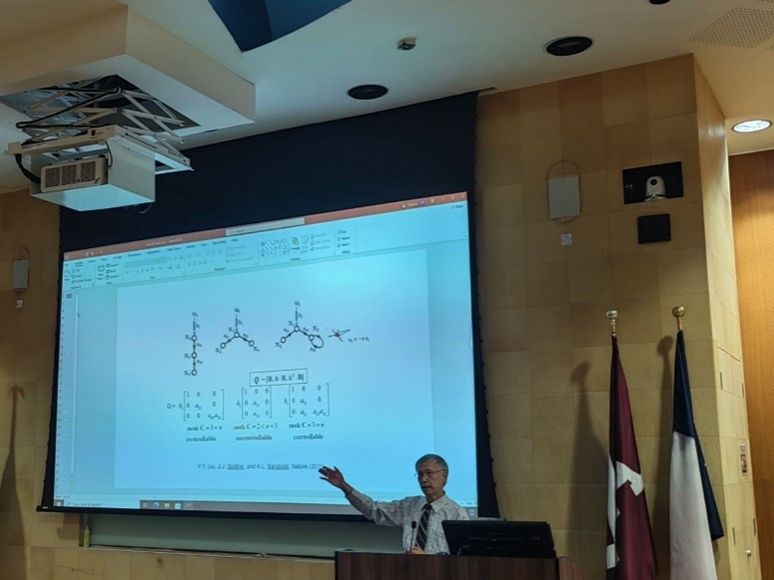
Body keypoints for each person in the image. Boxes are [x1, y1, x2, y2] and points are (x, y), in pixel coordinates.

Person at [319, 453, 470, 554]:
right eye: (420, 474)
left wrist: (428, 559)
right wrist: (344, 486)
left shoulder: (457, 514)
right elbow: (374, 510)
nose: (423, 479)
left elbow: (461, 557)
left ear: (444, 476)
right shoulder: (411, 505)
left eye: (429, 473)